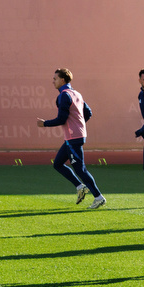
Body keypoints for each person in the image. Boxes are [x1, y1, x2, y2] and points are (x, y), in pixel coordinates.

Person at [39, 68, 105, 208]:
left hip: (73, 137)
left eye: (55, 79)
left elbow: (61, 119)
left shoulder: (64, 95)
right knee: (57, 164)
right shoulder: (76, 93)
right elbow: (88, 112)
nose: (53, 81)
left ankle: (98, 197)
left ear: (62, 80)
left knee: (80, 169)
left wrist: (44, 124)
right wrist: (78, 125)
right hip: (75, 136)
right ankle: (80, 186)